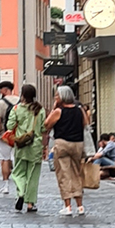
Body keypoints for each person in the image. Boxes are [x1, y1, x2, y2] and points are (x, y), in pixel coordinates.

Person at [43, 85, 92, 216]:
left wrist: (54, 108)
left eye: (57, 96)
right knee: (76, 173)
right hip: (78, 144)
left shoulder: (59, 111)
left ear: (63, 97)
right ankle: (80, 206)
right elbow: (85, 124)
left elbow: (46, 124)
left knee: (64, 174)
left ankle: (68, 206)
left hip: (63, 143)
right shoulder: (79, 109)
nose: (55, 98)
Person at [7, 84, 44, 213]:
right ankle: (30, 204)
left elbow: (9, 125)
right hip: (36, 145)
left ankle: (21, 192)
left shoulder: (16, 109)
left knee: (18, 172)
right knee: (33, 175)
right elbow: (44, 128)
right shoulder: (40, 110)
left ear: (22, 95)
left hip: (21, 145)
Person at [0, 80, 20, 195]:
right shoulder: (20, 101)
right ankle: (20, 183)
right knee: (17, 158)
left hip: (5, 135)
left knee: (5, 159)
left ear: (4, 90)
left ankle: (6, 185)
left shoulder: (1, 103)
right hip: (19, 134)